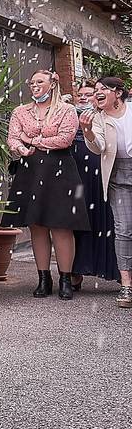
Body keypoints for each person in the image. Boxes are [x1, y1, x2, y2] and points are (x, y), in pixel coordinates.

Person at [2, 70, 89, 300]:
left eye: (39, 81)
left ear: (52, 84)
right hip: (30, 170)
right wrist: (21, 148)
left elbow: (65, 139)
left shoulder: (67, 109)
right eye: (31, 82)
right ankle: (43, 278)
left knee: (62, 226)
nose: (34, 85)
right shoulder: (20, 111)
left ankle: (65, 279)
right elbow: (12, 138)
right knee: (37, 225)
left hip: (60, 170)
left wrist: (32, 140)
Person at [79, 76, 132, 308]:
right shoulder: (98, 118)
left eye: (103, 89)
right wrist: (88, 131)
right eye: (96, 90)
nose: (97, 92)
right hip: (118, 176)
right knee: (124, 229)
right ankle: (126, 285)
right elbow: (98, 146)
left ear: (118, 93)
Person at [71, 80, 120, 288]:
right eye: (79, 94)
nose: (83, 97)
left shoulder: (105, 116)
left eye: (88, 93)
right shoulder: (70, 115)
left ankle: (117, 271)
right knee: (79, 219)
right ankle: (76, 270)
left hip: (103, 170)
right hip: (77, 173)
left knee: (109, 219)